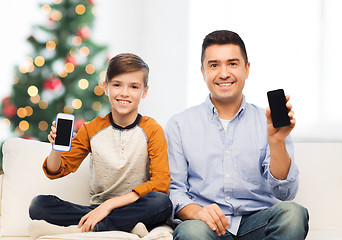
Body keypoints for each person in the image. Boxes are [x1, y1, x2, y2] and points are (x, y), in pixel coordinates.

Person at [165, 30, 309, 240]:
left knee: (294, 214)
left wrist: (276, 141)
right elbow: (174, 189)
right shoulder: (179, 124)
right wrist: (196, 212)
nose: (224, 73)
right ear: (203, 71)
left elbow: (285, 194)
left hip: (257, 221)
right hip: (207, 225)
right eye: (214, 65)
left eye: (232, 63)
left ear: (246, 69)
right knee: (191, 232)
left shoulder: (267, 121)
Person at [29, 53, 172, 237]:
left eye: (134, 86)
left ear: (144, 91)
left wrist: (109, 205)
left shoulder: (152, 129)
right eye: (117, 85)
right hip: (97, 209)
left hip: (135, 206)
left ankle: (91, 225)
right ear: (106, 87)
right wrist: (56, 149)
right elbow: (56, 171)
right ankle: (117, 224)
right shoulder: (92, 129)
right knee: (38, 205)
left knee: (162, 203)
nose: (124, 93)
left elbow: (160, 184)